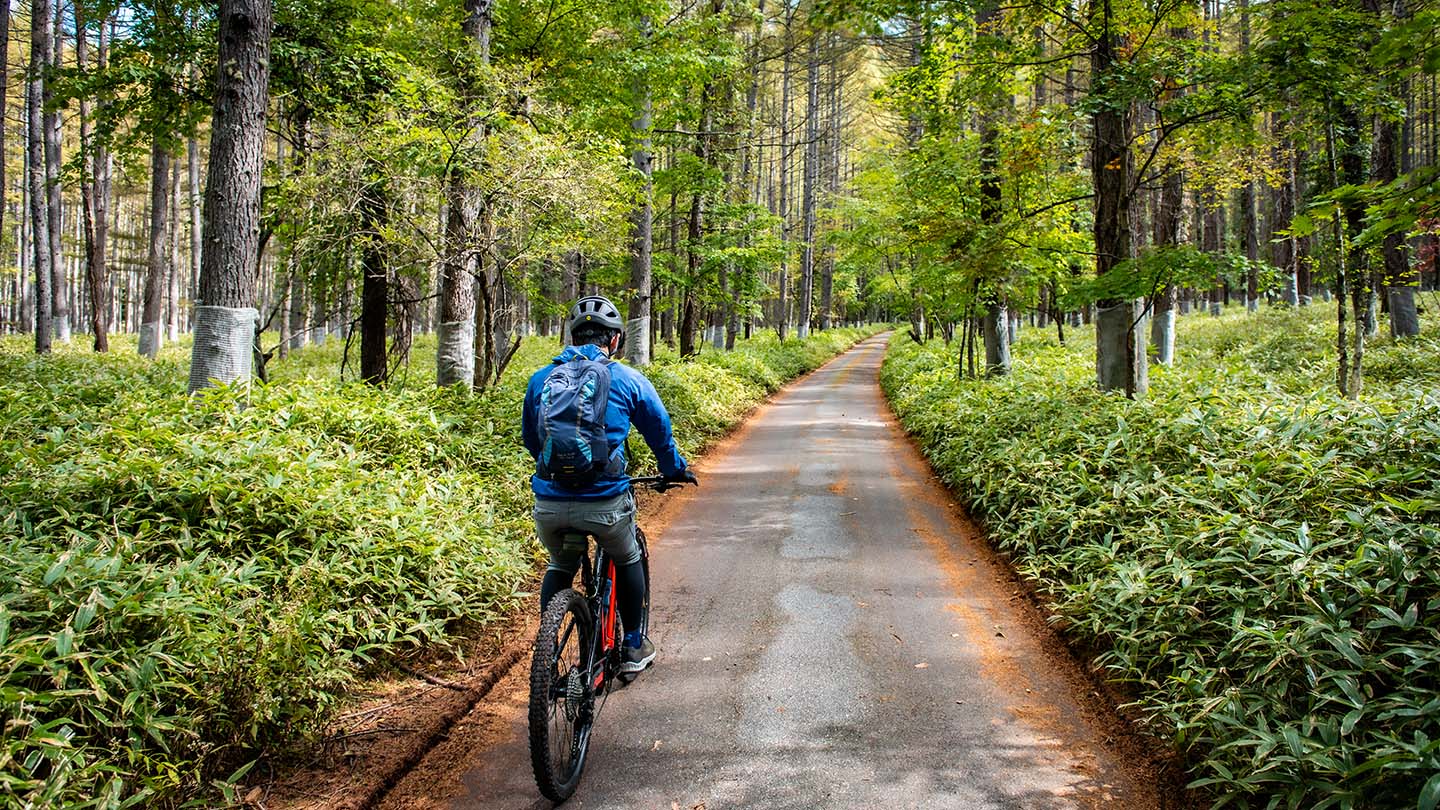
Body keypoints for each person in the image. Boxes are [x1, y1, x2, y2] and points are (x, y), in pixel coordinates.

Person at [521, 295, 696, 673]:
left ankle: (546, 655)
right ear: (614, 340)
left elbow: (532, 441)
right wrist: (674, 469)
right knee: (627, 554)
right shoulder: (628, 378)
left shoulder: (540, 380)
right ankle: (633, 646)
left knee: (561, 562)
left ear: (572, 336)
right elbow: (659, 432)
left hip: (550, 504)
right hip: (604, 504)